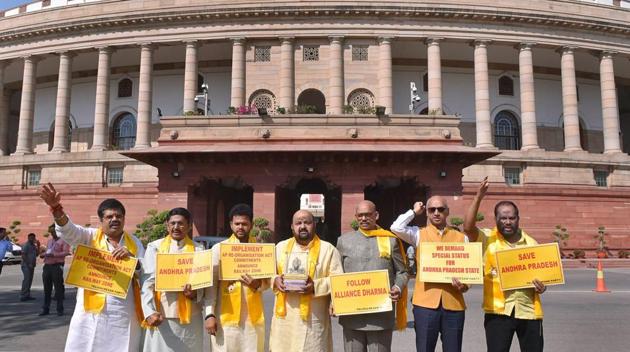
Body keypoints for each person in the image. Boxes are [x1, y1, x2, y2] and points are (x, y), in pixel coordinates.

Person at [39, 182, 145, 352]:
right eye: (109, 217)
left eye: (119, 216)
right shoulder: (89, 237)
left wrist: (133, 260)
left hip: (123, 312)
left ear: (124, 219)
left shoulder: (134, 243)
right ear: (101, 221)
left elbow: (146, 273)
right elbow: (69, 231)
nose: (115, 220)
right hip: (90, 312)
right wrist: (56, 208)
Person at [463, 177, 546, 352]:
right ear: (496, 219)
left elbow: (543, 279)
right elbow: (468, 228)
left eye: (511, 218)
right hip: (498, 312)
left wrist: (542, 286)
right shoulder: (487, 239)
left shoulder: (532, 244)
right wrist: (478, 197)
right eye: (503, 218)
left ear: (518, 219)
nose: (507, 222)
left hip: (529, 311)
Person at [390, 197, 470, 352]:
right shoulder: (418, 234)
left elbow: (468, 270)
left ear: (447, 211)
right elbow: (396, 227)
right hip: (425, 304)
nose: (436, 213)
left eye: (441, 209)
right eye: (432, 210)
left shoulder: (462, 238)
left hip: (454, 303)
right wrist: (414, 212)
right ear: (426, 212)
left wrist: (464, 286)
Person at [336, 200, 409, 352]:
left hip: (380, 316)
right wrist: (333, 300)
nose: (364, 218)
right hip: (352, 316)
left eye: (368, 215)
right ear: (356, 217)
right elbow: (336, 274)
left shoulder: (390, 240)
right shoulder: (344, 241)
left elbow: (402, 271)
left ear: (376, 215)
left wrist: (397, 287)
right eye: (360, 215)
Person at [269, 209, 343, 352]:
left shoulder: (328, 250)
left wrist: (315, 286)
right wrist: (275, 280)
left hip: (313, 320)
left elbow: (338, 280)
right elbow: (268, 274)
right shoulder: (280, 248)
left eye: (307, 222)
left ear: (314, 224)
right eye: (298, 223)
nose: (302, 226)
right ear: (292, 226)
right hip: (284, 320)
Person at [204, 203, 269, 352]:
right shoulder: (219, 249)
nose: (240, 227)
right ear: (231, 225)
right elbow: (211, 285)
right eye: (237, 223)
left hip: (252, 320)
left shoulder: (261, 249)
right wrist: (209, 314)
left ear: (251, 225)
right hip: (225, 318)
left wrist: (257, 285)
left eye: (244, 224)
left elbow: (268, 282)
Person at [141, 207, 205, 352]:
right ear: (167, 225)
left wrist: (195, 294)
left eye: (181, 223)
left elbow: (204, 285)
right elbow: (147, 283)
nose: (176, 227)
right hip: (161, 316)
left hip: (190, 318)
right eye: (173, 223)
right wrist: (149, 311)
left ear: (189, 226)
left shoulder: (199, 250)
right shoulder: (155, 248)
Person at [39, 225, 71, 316]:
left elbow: (66, 252)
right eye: (51, 232)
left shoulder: (64, 241)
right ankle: (46, 308)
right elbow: (48, 251)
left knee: (58, 288)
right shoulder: (50, 241)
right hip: (47, 265)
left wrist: (54, 254)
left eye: (54, 232)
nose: (52, 234)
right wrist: (44, 254)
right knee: (47, 288)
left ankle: (60, 309)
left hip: (57, 266)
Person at [20, 233, 39, 301]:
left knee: (30, 280)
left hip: (32, 265)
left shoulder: (33, 245)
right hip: (26, 265)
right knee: (27, 279)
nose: (32, 239)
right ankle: (23, 295)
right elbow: (23, 255)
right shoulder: (26, 245)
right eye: (31, 238)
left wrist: (38, 245)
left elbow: (37, 254)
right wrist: (29, 263)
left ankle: (27, 295)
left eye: (33, 238)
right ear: (28, 238)